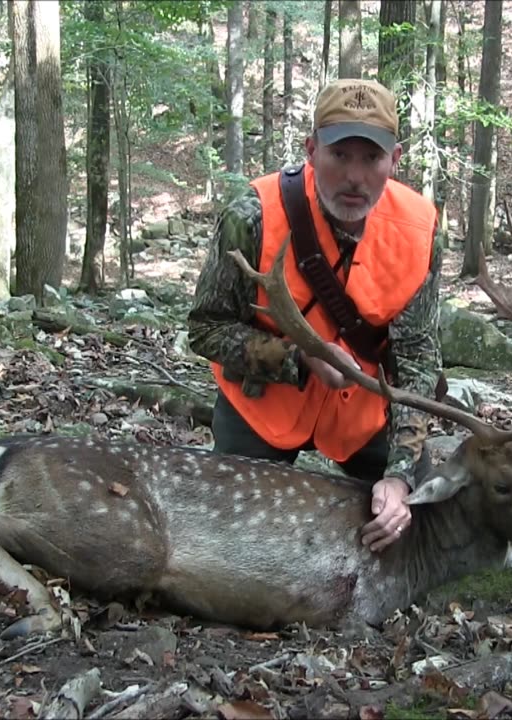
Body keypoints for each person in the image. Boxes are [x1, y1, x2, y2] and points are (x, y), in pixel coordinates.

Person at [187, 78, 443, 554]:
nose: (355, 177)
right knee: (231, 542)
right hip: (262, 407)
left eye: (372, 159)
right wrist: (295, 358)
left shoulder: (420, 230)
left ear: (396, 160)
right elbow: (204, 329)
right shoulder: (252, 215)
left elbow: (418, 359)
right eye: (339, 155)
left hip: (364, 414)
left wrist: (401, 474)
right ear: (310, 150)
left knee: (420, 526)